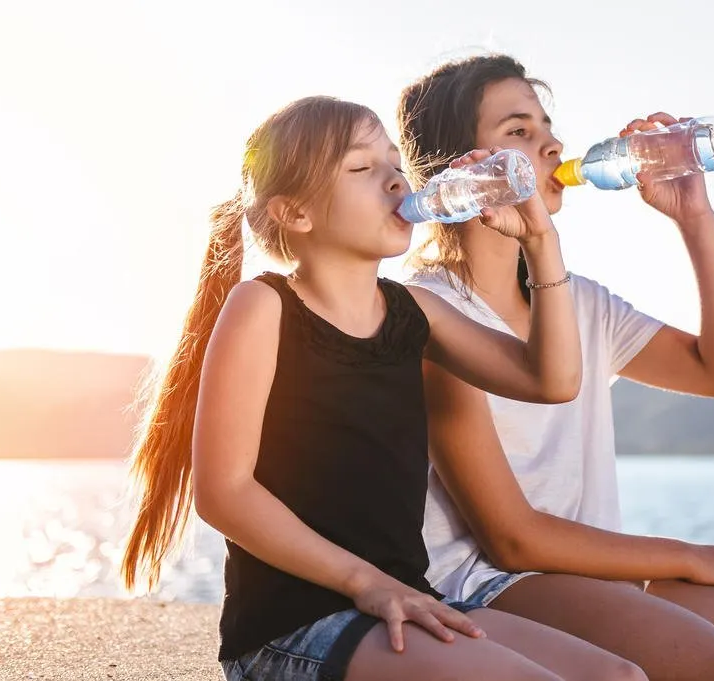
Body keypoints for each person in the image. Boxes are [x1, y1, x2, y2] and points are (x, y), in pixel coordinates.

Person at [396, 54, 714, 681]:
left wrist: (694, 217)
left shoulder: (578, 303)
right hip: (491, 586)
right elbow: (511, 539)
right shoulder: (432, 315)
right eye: (519, 131)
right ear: (462, 168)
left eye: (548, 126)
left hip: (594, 577)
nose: (553, 145)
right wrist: (686, 557)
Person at [117, 94, 647, 681]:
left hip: (406, 601)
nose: (396, 181)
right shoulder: (263, 305)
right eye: (363, 167)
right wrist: (366, 583)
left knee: (619, 677)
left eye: (395, 163)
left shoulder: (412, 311)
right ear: (296, 213)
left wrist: (539, 241)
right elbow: (224, 493)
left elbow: (553, 381)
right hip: (295, 627)